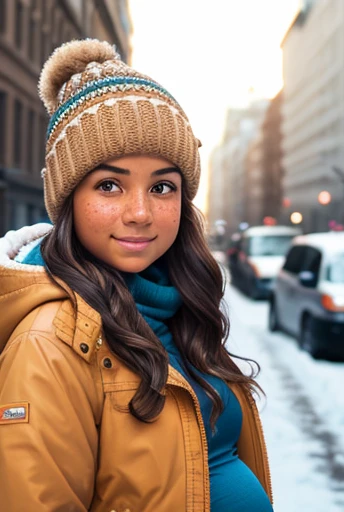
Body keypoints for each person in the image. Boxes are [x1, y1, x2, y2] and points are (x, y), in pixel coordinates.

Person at [0, 39, 273, 512]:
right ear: (68, 199)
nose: (141, 212)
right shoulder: (48, 344)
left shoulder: (179, 305)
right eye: (110, 185)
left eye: (162, 186)